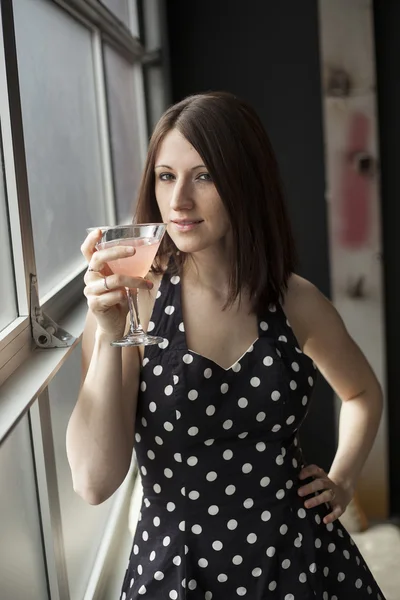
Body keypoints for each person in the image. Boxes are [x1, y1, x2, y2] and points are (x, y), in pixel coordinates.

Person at [68, 92, 386, 599]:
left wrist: (344, 481)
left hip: (300, 562)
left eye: (205, 175)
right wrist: (108, 335)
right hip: (177, 572)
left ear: (245, 181)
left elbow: (363, 393)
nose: (179, 202)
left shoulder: (291, 299)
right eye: (166, 176)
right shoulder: (133, 302)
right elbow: (93, 481)